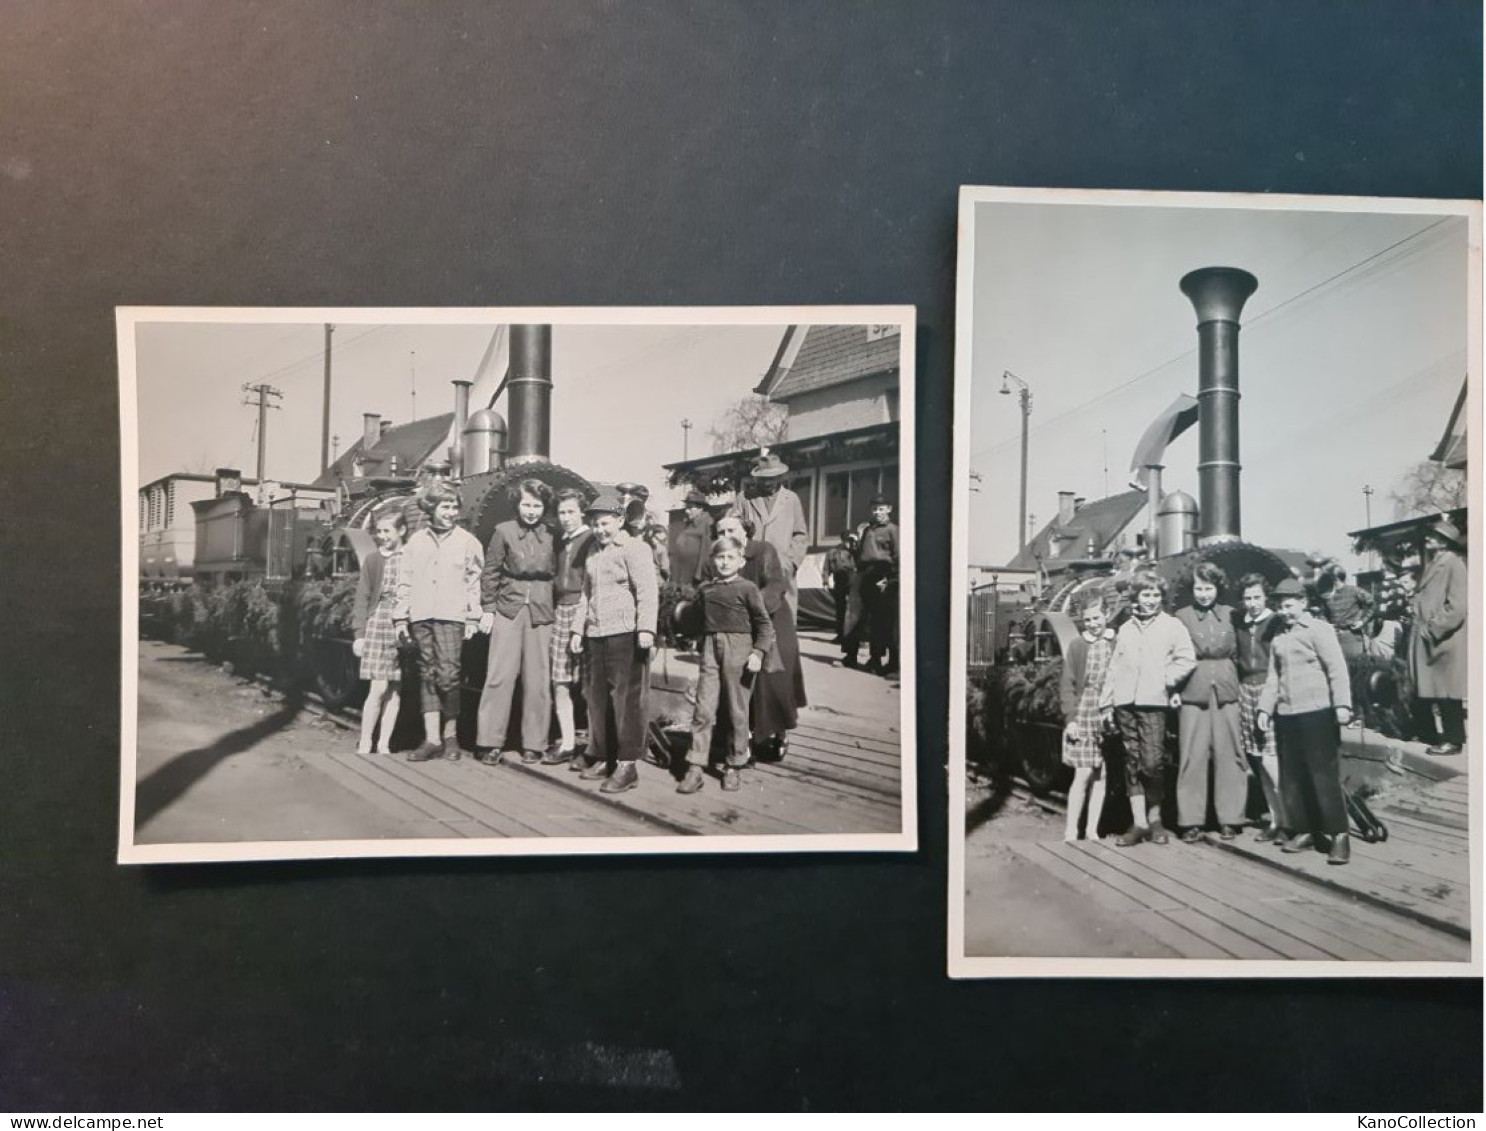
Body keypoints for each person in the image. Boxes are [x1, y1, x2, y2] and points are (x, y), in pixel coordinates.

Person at [1257, 578, 1355, 864]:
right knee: (1293, 777)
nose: (1284, 611)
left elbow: (1337, 668)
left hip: (1317, 713)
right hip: (1287, 714)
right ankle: (1306, 830)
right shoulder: (1279, 634)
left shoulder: (1319, 630)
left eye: (1289, 605)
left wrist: (1342, 705)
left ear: (1304, 603)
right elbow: (1273, 677)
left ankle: (1339, 835)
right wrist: (1265, 709)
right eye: (1280, 606)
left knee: (1322, 776)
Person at [569, 490, 659, 794]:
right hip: (596, 634)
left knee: (627, 701)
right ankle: (606, 756)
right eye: (595, 524)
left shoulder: (635, 549)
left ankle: (627, 764)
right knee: (597, 700)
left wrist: (646, 628)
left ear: (620, 520)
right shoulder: (593, 551)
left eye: (606, 523)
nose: (600, 530)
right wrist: (577, 630)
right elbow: (585, 594)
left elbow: (647, 590)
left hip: (625, 633)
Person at [1098, 570, 1196, 847]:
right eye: (1146, 594)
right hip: (1125, 702)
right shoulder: (1126, 628)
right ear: (1136, 597)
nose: (1151, 600)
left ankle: (1156, 820)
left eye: (1155, 595)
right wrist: (1106, 703)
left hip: (1153, 702)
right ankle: (1139, 823)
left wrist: (1166, 680)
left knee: (1152, 763)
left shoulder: (1172, 626)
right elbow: (1114, 667)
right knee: (1132, 763)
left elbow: (1187, 659)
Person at [673, 535, 775, 795]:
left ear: (741, 561)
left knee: (736, 711)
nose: (725, 562)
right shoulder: (707, 590)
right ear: (712, 560)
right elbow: (693, 620)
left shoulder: (748, 588)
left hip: (739, 651)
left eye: (731, 557)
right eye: (720, 557)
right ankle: (695, 766)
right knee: (703, 709)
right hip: (710, 649)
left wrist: (758, 653)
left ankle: (734, 764)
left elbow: (764, 625)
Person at [394, 482, 484, 762]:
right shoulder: (416, 542)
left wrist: (472, 616)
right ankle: (431, 739)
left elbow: (473, 582)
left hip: (451, 616)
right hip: (421, 616)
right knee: (427, 674)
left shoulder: (468, 541)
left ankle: (450, 737)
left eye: (454, 507)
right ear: (431, 508)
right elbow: (404, 580)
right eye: (445, 506)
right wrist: (400, 617)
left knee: (448, 675)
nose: (451, 512)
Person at [475, 479, 557, 766]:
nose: (531, 511)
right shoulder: (503, 532)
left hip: (541, 611)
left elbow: (558, 574)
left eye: (537, 506)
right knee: (500, 676)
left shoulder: (552, 534)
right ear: (517, 505)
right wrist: (487, 608)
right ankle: (489, 741)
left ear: (544, 507)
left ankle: (534, 743)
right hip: (508, 609)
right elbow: (491, 572)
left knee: (538, 680)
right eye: (526, 505)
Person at [712, 513, 805, 760]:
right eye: (721, 533)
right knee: (737, 675)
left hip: (772, 618)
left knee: (773, 677)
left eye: (731, 531)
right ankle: (742, 735)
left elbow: (776, 585)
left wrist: (749, 604)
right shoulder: (722, 556)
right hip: (740, 622)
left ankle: (782, 731)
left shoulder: (764, 551)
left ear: (745, 532)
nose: (726, 537)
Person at [1172, 562, 1248, 842]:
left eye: (1209, 588)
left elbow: (1241, 652)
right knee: (1192, 755)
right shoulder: (1181, 617)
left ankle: (1230, 818)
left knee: (1230, 754)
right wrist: (1175, 688)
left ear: (1218, 588)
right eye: (1199, 588)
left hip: (1227, 689)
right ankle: (1191, 820)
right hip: (1193, 690)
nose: (1204, 594)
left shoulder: (1232, 615)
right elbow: (1174, 655)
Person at [1059, 590, 1115, 842]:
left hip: (1107, 713)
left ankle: (1092, 829)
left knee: (1101, 774)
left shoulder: (1115, 643)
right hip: (1084, 712)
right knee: (1082, 774)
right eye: (1088, 620)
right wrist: (1070, 719)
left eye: (1097, 618)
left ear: (1107, 615)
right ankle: (1072, 829)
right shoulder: (1077, 646)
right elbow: (1067, 684)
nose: (1093, 624)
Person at [1235, 573, 1287, 843]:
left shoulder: (1275, 622)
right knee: (1257, 759)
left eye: (1257, 597)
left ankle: (1290, 820)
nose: (1252, 603)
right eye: (1247, 598)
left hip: (1268, 691)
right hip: (1246, 691)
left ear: (1265, 597)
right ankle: (1275, 819)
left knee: (1271, 758)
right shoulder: (1240, 623)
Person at [352, 505, 407, 755]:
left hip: (402, 624)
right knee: (379, 687)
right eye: (379, 531)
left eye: (387, 531)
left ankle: (384, 742)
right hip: (378, 621)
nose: (381, 536)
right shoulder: (373, 560)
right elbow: (362, 597)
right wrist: (359, 634)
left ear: (402, 530)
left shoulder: (410, 558)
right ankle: (365, 740)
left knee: (395, 689)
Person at [1410, 519, 1467, 756]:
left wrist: (1433, 629)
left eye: (1434, 536)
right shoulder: (1436, 562)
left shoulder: (1453, 563)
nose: (1429, 539)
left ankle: (1453, 741)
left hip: (1443, 640)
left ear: (1444, 542)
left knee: (1447, 691)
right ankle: (1431, 733)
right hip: (1430, 639)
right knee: (1432, 688)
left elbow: (1459, 606)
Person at [546, 488, 593, 766]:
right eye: (561, 512)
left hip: (583, 611)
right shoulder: (560, 543)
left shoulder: (589, 539)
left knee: (588, 682)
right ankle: (567, 741)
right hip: (560, 610)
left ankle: (592, 744)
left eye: (571, 512)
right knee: (560, 681)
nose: (565, 518)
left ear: (581, 513)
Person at [734, 451, 808, 612]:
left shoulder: (791, 499)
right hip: (751, 568)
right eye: (763, 479)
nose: (767, 483)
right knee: (751, 616)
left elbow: (800, 535)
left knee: (783, 619)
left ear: (780, 477)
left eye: (772, 478)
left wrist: (791, 562)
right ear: (757, 478)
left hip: (782, 569)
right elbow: (732, 531)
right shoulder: (744, 498)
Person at [842, 496, 898, 674]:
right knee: (860, 618)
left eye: (881, 509)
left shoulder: (893, 530)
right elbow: (862, 555)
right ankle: (863, 658)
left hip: (883, 576)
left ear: (889, 509)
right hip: (865, 575)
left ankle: (885, 662)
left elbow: (899, 557)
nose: (878, 512)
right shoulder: (866, 530)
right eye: (874, 509)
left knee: (882, 622)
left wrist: (890, 579)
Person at [670, 488, 713, 593]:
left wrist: (699, 577)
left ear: (700, 508)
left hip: (694, 579)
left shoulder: (707, 524)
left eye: (690, 508)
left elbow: (705, 553)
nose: (686, 511)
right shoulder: (689, 524)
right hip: (682, 575)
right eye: (686, 507)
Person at [824, 531, 858, 643]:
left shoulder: (857, 551)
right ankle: (840, 635)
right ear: (842, 540)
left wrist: (855, 545)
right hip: (839, 581)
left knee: (854, 609)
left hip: (853, 580)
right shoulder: (833, 552)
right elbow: (826, 567)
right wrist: (825, 580)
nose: (848, 543)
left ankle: (857, 637)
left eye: (850, 540)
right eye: (846, 540)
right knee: (840, 609)